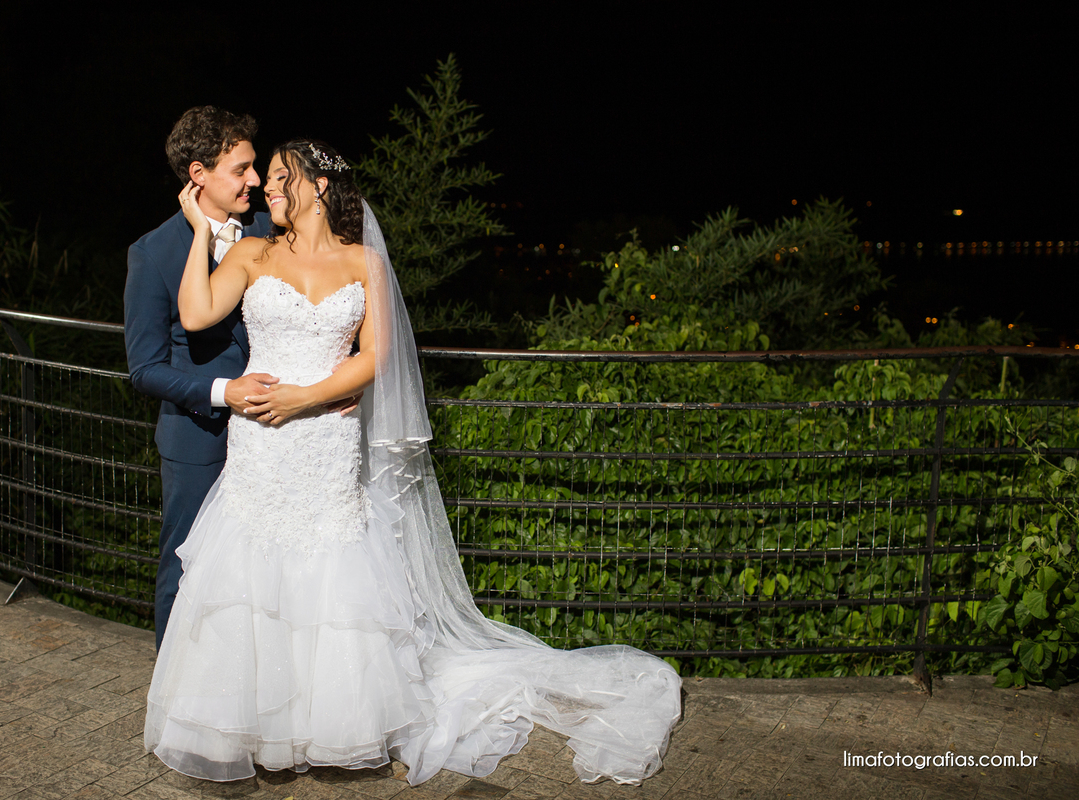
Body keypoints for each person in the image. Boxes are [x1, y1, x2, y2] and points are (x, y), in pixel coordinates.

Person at [144, 139, 683, 786]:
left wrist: (308, 397)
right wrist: (203, 232)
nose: (268, 189)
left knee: (329, 576)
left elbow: (376, 355)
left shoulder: (364, 262)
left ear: (318, 186)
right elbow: (195, 312)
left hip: (324, 438)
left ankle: (326, 725)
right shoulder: (253, 253)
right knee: (253, 575)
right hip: (262, 443)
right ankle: (258, 722)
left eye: (282, 179)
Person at [124, 106, 278, 649]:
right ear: (198, 174)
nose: (256, 181)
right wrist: (223, 392)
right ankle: (171, 702)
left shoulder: (270, 229)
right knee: (186, 568)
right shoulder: (152, 253)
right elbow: (144, 369)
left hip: (277, 431)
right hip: (199, 437)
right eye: (241, 170)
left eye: (253, 167)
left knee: (269, 568)